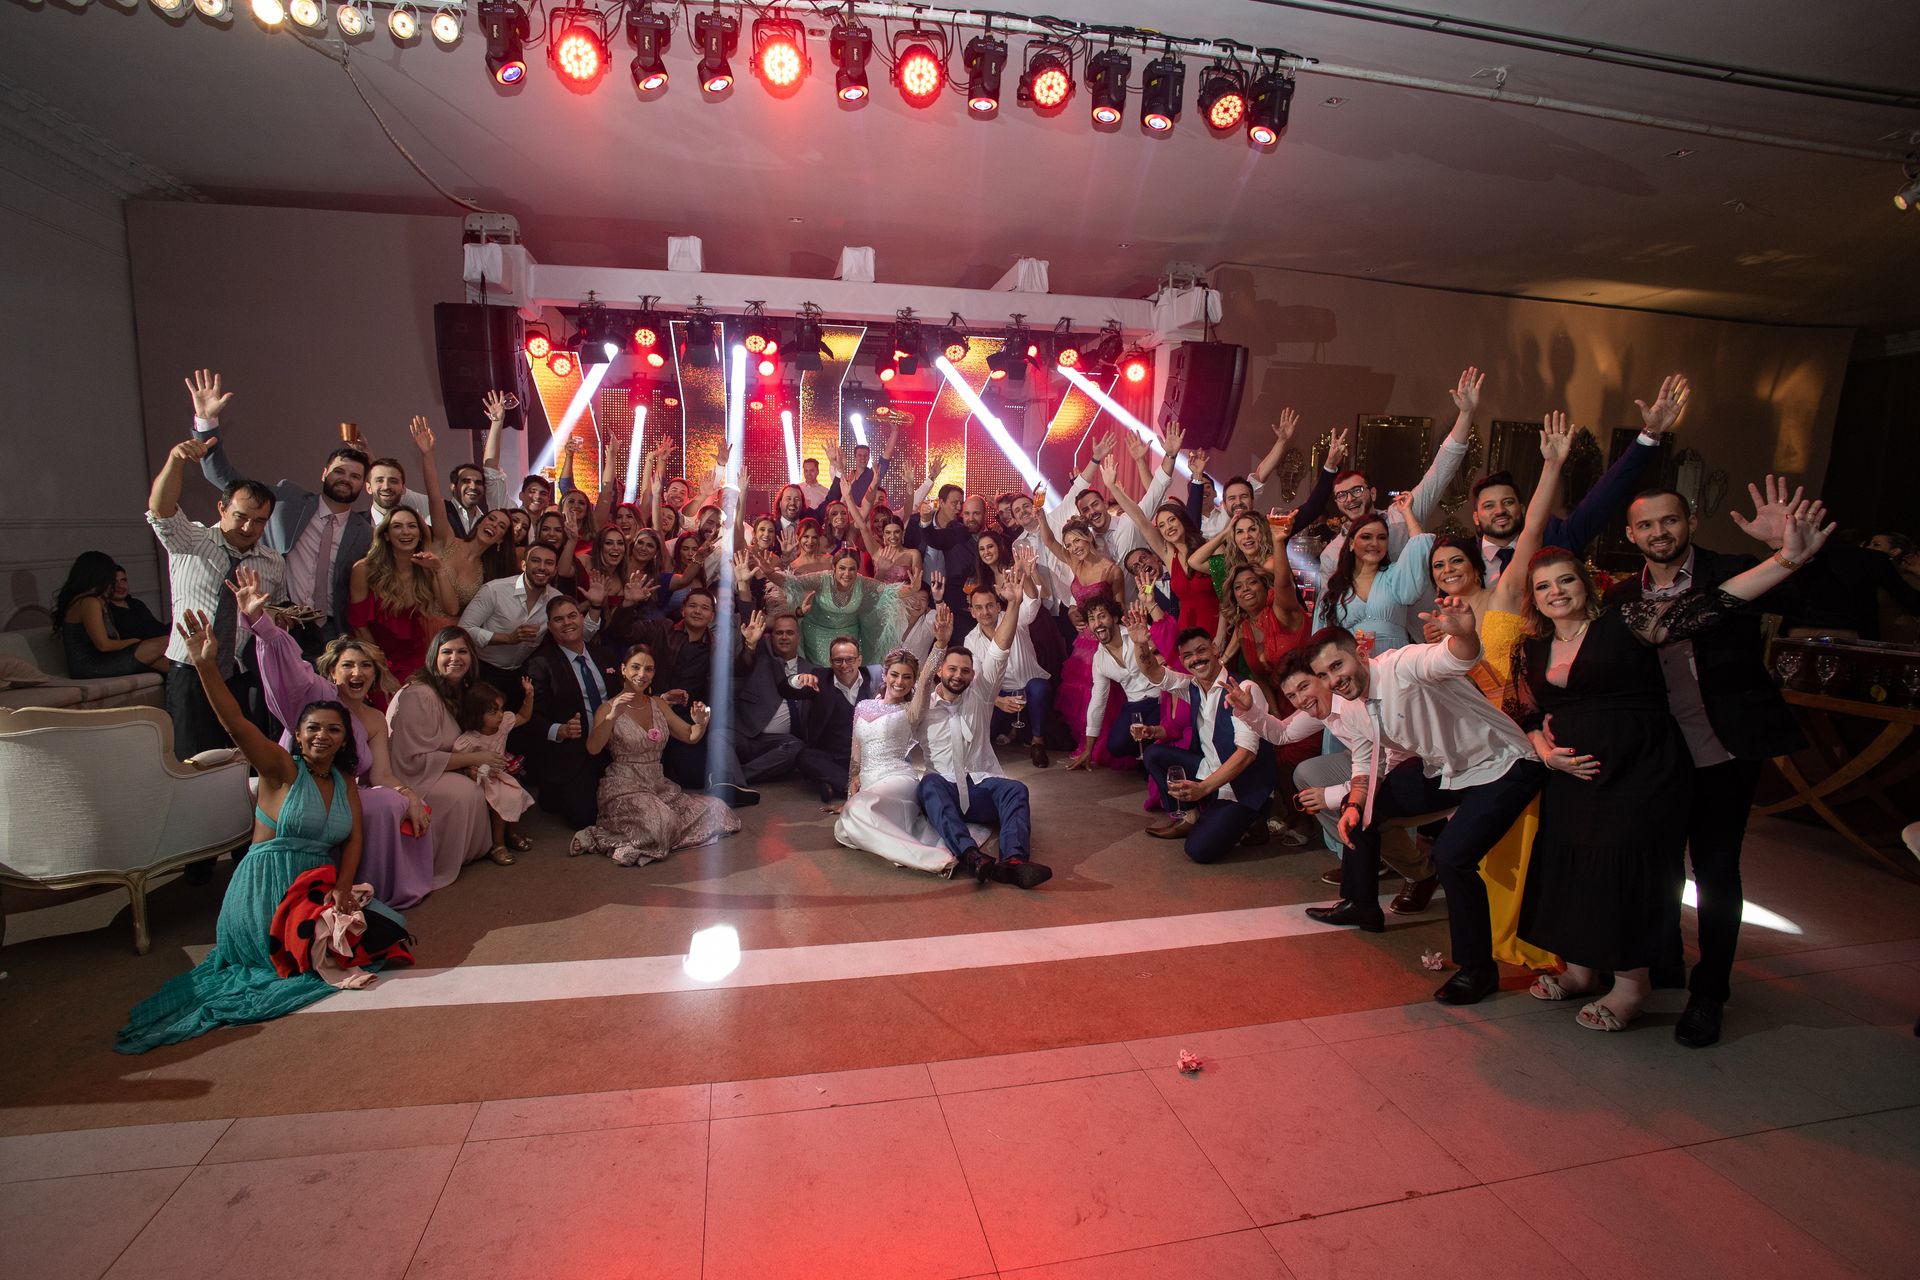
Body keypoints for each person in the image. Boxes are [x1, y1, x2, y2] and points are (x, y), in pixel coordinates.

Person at [1512, 508, 1830, 1032]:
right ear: (1535, 597)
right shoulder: (1535, 645)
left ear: (1586, 584)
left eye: (1565, 579)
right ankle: (1582, 971)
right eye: (1544, 586)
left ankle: (1632, 986)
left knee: (1625, 873)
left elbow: (1714, 605)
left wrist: (1786, 559)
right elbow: (1523, 709)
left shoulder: (1625, 619)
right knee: (1574, 868)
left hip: (1639, 770)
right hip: (1572, 779)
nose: (1556, 591)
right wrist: (1544, 749)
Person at [115, 609, 413, 1054]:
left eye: (333, 730)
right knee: (307, 963)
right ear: (298, 733)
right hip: (265, 888)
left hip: (316, 887)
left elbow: (353, 839)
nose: (323, 737)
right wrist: (205, 665)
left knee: (392, 930)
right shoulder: (279, 769)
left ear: (344, 741)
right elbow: (236, 722)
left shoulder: (344, 781)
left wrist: (344, 888)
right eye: (313, 729)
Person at [1603, 479, 1825, 1047]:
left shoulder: (1735, 569)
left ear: (1691, 522)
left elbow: (1814, 605)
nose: (1659, 532)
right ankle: (1663, 963)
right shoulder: (1620, 596)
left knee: (1716, 875)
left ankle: (1710, 994)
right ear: (1631, 535)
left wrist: (1791, 557)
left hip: (1725, 750)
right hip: (1658, 759)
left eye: (1669, 521)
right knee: (1658, 869)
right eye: (1646, 525)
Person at [1305, 608, 1549, 1004]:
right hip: (1445, 771)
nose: (1334, 680)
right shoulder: (1349, 705)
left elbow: (1457, 657)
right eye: (1323, 676)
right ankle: (1361, 904)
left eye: (1338, 665)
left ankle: (1477, 970)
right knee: (1368, 808)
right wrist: (1352, 804)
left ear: (1360, 655)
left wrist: (1464, 634)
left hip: (1503, 765)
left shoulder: (1403, 664)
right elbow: (1368, 761)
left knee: (1453, 857)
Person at [234, 565, 437, 909]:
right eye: (348, 666)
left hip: (346, 791)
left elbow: (382, 775)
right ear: (331, 671)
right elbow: (288, 671)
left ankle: (379, 889)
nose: (357, 673)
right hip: (300, 789)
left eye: (366, 666)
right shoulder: (315, 694)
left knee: (394, 802)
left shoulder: (374, 717)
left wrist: (410, 795)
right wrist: (262, 625)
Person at [187, 369, 372, 654]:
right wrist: (206, 422)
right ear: (324, 474)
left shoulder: (364, 532)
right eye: (339, 471)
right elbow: (222, 476)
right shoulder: (287, 499)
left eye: (356, 476)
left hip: (333, 633)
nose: (346, 479)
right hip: (278, 623)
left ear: (364, 484)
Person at [147, 431, 286, 756]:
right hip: (190, 672)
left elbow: (273, 615)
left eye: (259, 521)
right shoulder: (191, 541)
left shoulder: (272, 562)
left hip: (239, 674)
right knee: (194, 759)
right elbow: (161, 509)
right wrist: (176, 459)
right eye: (240, 516)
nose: (248, 528)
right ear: (221, 508)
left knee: (245, 759)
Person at [1471, 375, 1682, 587]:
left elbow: (1606, 495)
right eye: (1489, 505)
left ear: (1524, 508)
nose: (1500, 511)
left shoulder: (1558, 537)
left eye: (1508, 502)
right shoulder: (1461, 558)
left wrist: (1651, 434)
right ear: (1476, 517)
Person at [916, 565, 1053, 888]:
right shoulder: (923, 705)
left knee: (1016, 789)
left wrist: (1015, 604)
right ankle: (970, 856)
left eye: (965, 670)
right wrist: (940, 645)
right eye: (952, 669)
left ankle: (1014, 861)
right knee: (929, 784)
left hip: (980, 786)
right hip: (947, 791)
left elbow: (999, 651)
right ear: (940, 671)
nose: (958, 675)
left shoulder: (980, 692)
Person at [570, 645, 738, 864]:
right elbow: (593, 748)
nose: (642, 675)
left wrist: (701, 723)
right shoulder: (608, 708)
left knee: (718, 809)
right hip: (624, 786)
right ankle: (598, 837)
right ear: (623, 669)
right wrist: (611, 718)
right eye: (636, 667)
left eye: (648, 669)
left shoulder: (657, 703)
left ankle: (650, 838)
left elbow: (690, 736)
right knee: (661, 824)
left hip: (658, 786)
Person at [835, 648, 992, 874]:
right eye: (895, 674)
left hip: (898, 780)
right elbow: (856, 754)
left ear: (913, 680)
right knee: (843, 829)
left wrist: (939, 644)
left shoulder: (910, 710)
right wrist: (851, 789)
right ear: (885, 675)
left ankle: (935, 859)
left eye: (907, 677)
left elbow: (928, 676)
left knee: (856, 812)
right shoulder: (863, 707)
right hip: (870, 784)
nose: (900, 682)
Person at [1316, 366, 1480, 580]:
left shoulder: (1403, 517)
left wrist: (1466, 413)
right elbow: (1330, 607)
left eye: (1357, 490)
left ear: (1372, 493)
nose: (1350, 499)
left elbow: (1441, 471)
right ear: (1337, 503)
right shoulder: (1332, 554)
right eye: (1341, 495)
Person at [1136, 621, 1280, 862]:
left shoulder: (1243, 689)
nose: (1196, 659)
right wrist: (1140, 642)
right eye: (1188, 656)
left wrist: (1203, 788)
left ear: (1215, 649)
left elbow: (1247, 755)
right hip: (1208, 769)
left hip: (1241, 786)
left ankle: (1254, 818)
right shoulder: (1190, 686)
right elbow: (1152, 671)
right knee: (1154, 755)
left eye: (1201, 650)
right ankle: (1189, 816)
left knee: (1199, 851)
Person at [384, 626, 496, 890]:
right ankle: (432, 861)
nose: (454, 658)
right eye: (446, 652)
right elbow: (414, 758)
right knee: (464, 792)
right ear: (434, 656)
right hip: (410, 775)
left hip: (436, 766)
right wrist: (475, 758)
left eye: (462, 651)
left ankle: (476, 849)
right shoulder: (420, 694)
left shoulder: (459, 690)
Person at [522, 597, 619, 827]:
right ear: (550, 625)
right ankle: (552, 791)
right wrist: (560, 730)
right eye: (558, 619)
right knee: (584, 818)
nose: (567, 623)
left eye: (572, 615)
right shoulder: (540, 663)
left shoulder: (604, 655)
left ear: (581, 618)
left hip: (613, 745)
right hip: (573, 750)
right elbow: (531, 717)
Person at [347, 504, 454, 687]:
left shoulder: (425, 568)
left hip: (415, 658)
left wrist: (439, 570)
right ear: (386, 535)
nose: (406, 532)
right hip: (373, 658)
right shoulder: (364, 569)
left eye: (412, 526)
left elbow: (451, 608)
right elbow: (359, 626)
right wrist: (383, 671)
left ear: (420, 533)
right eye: (397, 526)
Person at [964, 555, 1052, 768]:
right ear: (973, 612)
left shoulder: (1014, 616)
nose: (985, 612)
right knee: (985, 729)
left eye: (989, 606)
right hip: (1001, 696)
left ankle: (1038, 742)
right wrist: (997, 701)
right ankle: (1009, 732)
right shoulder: (970, 639)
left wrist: (1027, 576)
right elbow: (974, 678)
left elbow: (1032, 603)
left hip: (1030, 688)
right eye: (980, 608)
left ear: (998, 605)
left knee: (1039, 687)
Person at [1314, 499, 1435, 651]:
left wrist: (1406, 512)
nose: (1374, 543)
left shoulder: (1395, 576)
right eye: (1366, 537)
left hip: (1394, 667)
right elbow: (1320, 643)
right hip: (1353, 667)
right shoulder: (1333, 589)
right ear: (1351, 543)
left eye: (1382, 538)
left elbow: (1419, 547)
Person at [459, 541, 571, 695]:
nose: (542, 567)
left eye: (549, 563)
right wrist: (506, 638)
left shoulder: (555, 599)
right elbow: (463, 629)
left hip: (521, 673)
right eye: (536, 560)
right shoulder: (494, 590)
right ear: (524, 565)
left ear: (555, 570)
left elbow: (573, 634)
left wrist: (595, 607)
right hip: (482, 668)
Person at [770, 548, 913, 667]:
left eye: (852, 569)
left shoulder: (861, 582)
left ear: (857, 570)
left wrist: (913, 588)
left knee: (847, 672)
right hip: (817, 634)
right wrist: (768, 572)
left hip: (850, 636)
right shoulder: (822, 579)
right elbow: (792, 583)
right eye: (842, 568)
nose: (847, 573)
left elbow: (888, 591)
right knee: (825, 676)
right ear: (834, 568)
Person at [1069, 595, 1164, 768]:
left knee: (1157, 736)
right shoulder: (1099, 660)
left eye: (1102, 616)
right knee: (1115, 746)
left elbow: (1166, 658)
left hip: (1162, 697)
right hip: (1135, 705)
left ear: (1114, 617)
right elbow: (1098, 701)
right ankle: (1147, 754)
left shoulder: (1138, 630)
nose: (1097, 624)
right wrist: (1089, 749)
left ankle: (1154, 758)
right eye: (1092, 619)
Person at [454, 679, 535, 866]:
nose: (500, 715)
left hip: (500, 774)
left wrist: (528, 698)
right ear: (476, 714)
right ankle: (497, 845)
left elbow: (523, 717)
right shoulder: (469, 740)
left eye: (501, 709)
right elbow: (458, 763)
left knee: (515, 794)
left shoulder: (503, 724)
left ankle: (512, 833)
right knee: (503, 801)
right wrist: (471, 772)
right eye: (493, 712)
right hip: (482, 779)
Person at [55, 550, 169, 677]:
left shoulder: (91, 600)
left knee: (168, 664)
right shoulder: (88, 602)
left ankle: (189, 686)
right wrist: (135, 642)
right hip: (91, 667)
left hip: (99, 662)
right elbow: (104, 645)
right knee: (165, 641)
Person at [105, 565, 169, 643]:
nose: (120, 586)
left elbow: (157, 626)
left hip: (162, 640)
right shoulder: (107, 611)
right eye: (114, 582)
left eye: (123, 580)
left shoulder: (136, 603)